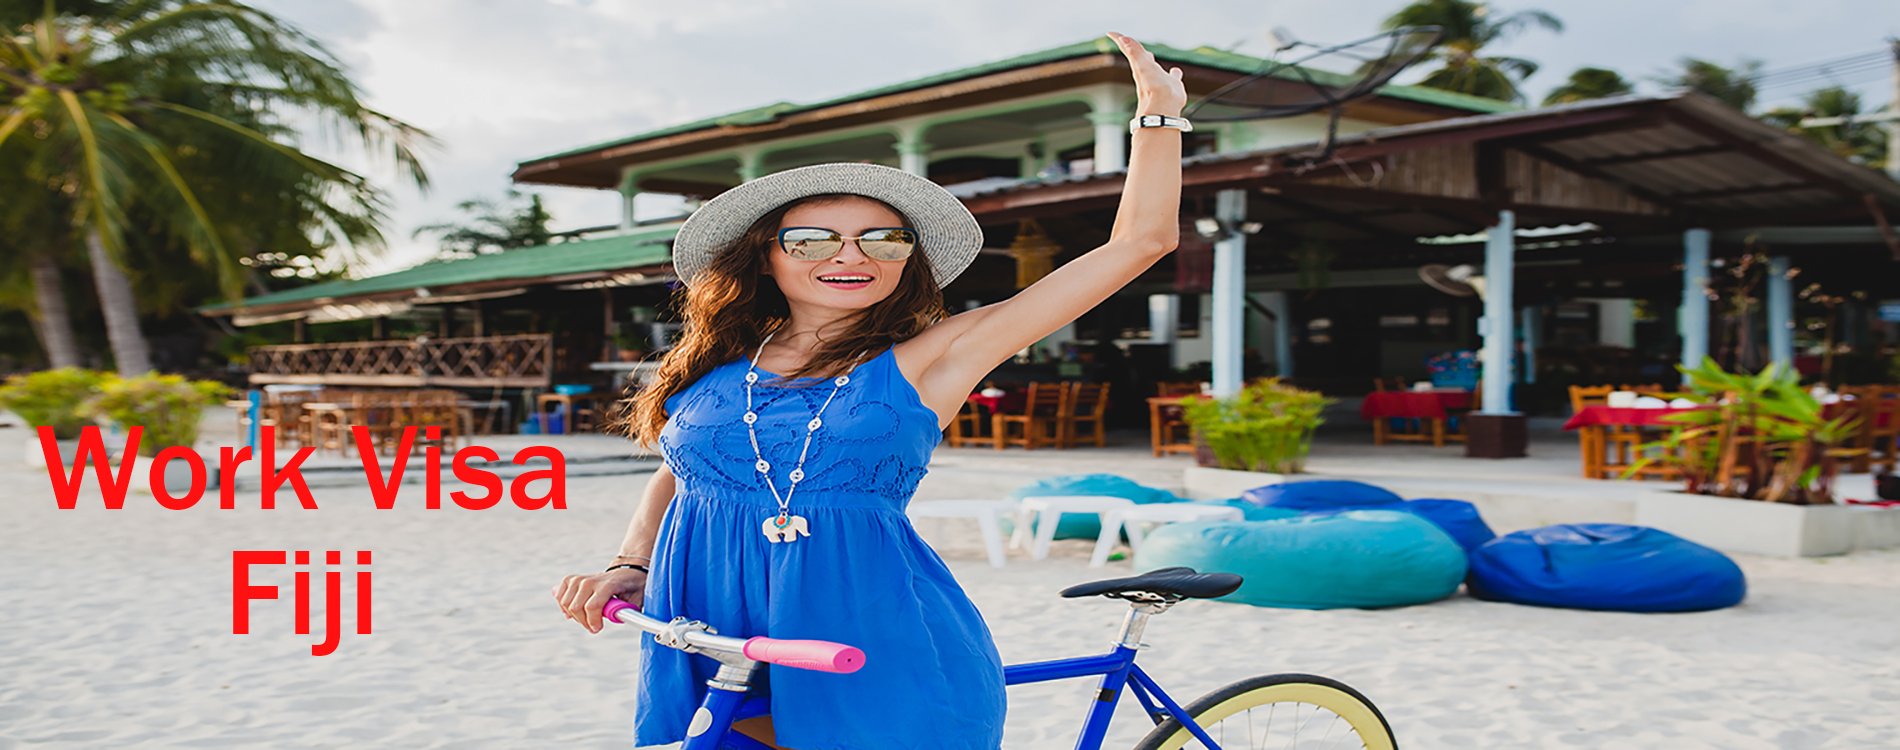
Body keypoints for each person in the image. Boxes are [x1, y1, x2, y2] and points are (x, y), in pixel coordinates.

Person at [553, 32, 1186, 749]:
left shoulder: (930, 360)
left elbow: (1140, 243)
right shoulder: (718, 361)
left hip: (863, 632)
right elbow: (681, 472)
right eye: (813, 240)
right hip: (709, 622)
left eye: (883, 240)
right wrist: (630, 563)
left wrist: (1157, 119)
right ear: (765, 257)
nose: (851, 256)